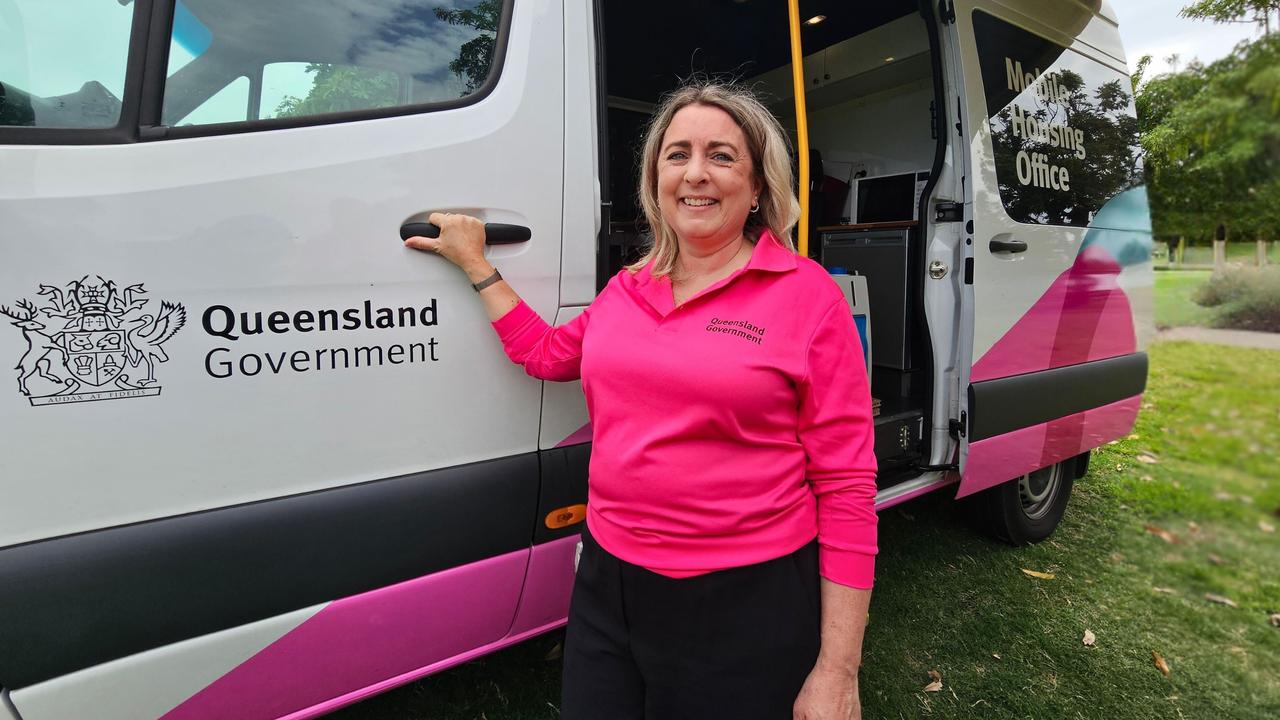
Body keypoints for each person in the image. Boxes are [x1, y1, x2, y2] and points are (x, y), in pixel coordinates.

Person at [405, 81, 877, 720]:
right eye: (677, 154)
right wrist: (477, 266)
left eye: (722, 155)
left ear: (760, 185)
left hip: (745, 597)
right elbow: (546, 355)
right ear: (656, 177)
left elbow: (846, 484)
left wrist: (838, 670)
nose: (696, 174)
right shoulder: (629, 287)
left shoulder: (808, 297)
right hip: (609, 583)